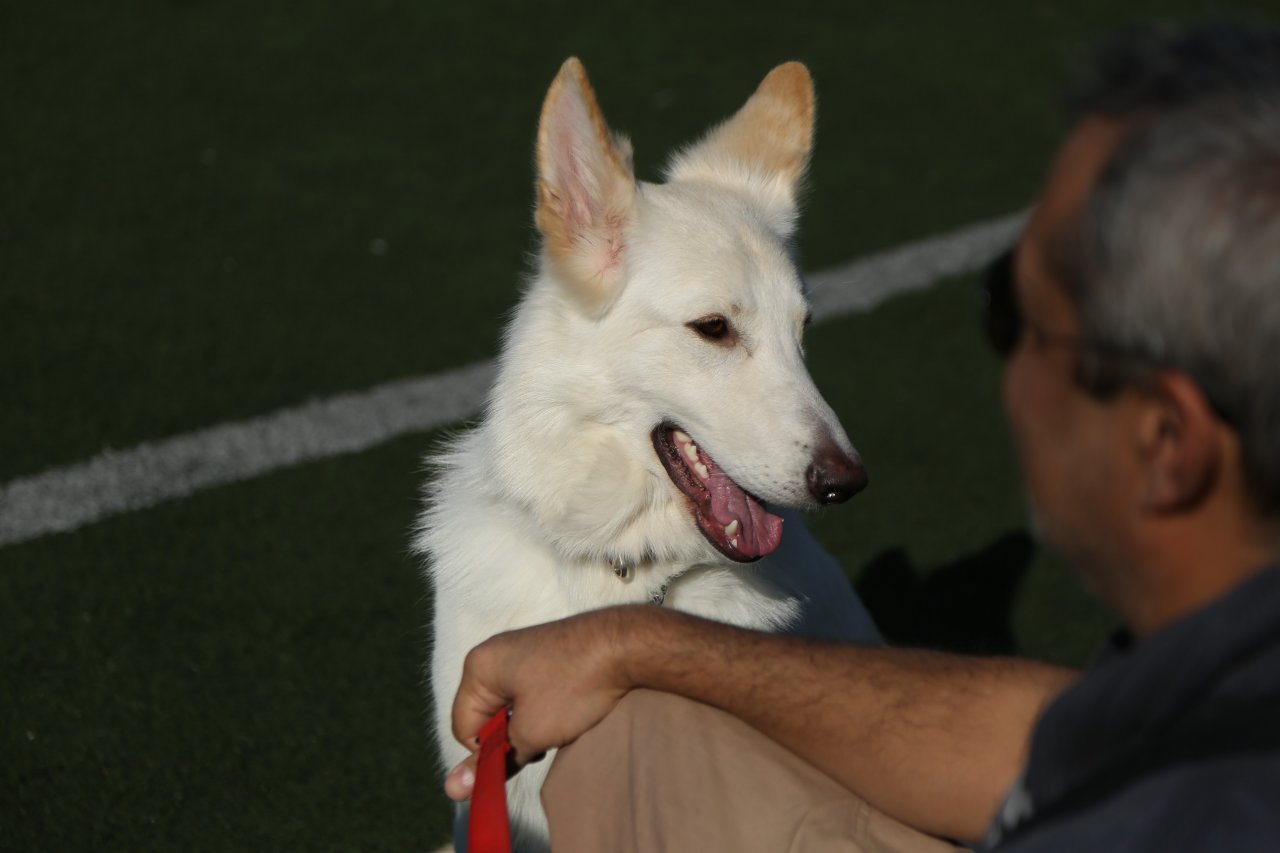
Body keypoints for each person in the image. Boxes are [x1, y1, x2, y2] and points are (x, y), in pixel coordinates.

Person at [444, 21, 1280, 851]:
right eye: (714, 330)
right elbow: (1052, 739)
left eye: (1012, 318)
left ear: (1172, 438)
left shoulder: (1200, 809)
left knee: (624, 747)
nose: (832, 447)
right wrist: (633, 644)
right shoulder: (1201, 691)